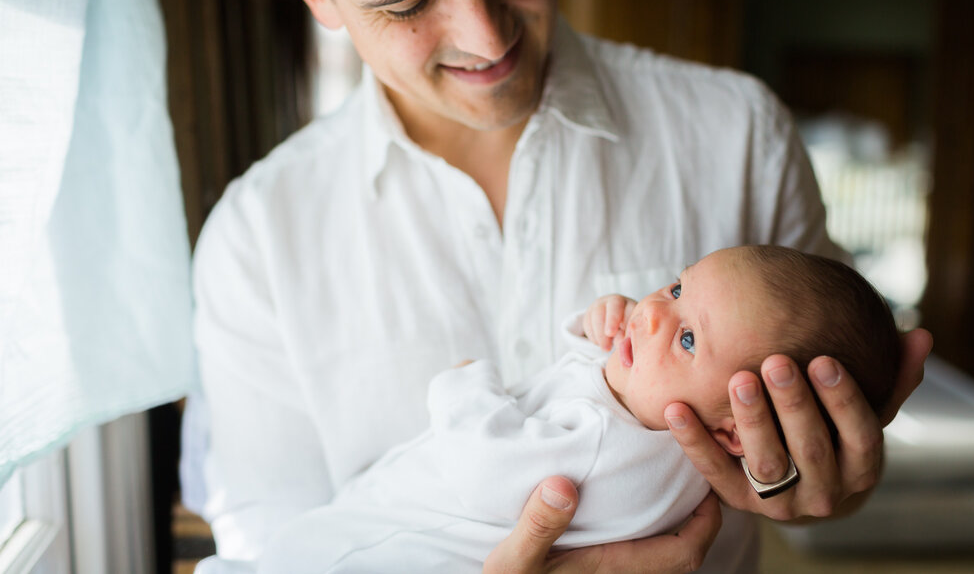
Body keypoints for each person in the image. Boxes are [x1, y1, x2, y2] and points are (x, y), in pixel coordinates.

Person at [186, 0, 933, 571]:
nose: (487, 36)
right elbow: (273, 548)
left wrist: (824, 480)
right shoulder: (256, 239)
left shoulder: (739, 135)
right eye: (410, 3)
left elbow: (825, 438)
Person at [252, 245, 901, 573]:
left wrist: (461, 387)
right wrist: (600, 333)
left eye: (687, 336)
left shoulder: (601, 441)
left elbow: (483, 464)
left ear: (739, 430)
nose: (649, 309)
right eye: (675, 287)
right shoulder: (657, 432)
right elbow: (573, 385)